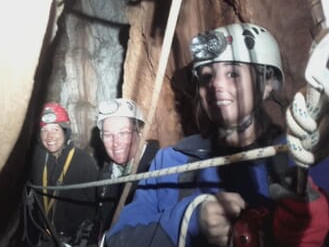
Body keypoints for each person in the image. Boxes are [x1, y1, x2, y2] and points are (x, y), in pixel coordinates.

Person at [104, 23, 329, 247]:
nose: (216, 85)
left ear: (267, 83)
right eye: (206, 77)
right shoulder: (170, 161)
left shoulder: (301, 160)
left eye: (233, 73)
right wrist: (190, 219)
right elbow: (118, 240)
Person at [23, 102, 100, 247]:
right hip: (45, 235)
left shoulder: (84, 162)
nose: (50, 136)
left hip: (75, 239)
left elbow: (94, 207)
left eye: (55, 130)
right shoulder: (38, 159)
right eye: (44, 130)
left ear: (65, 132)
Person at [96, 98, 159, 231]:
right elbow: (102, 219)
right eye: (108, 135)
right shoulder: (107, 174)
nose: (115, 143)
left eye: (123, 133)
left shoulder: (158, 169)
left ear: (140, 132)